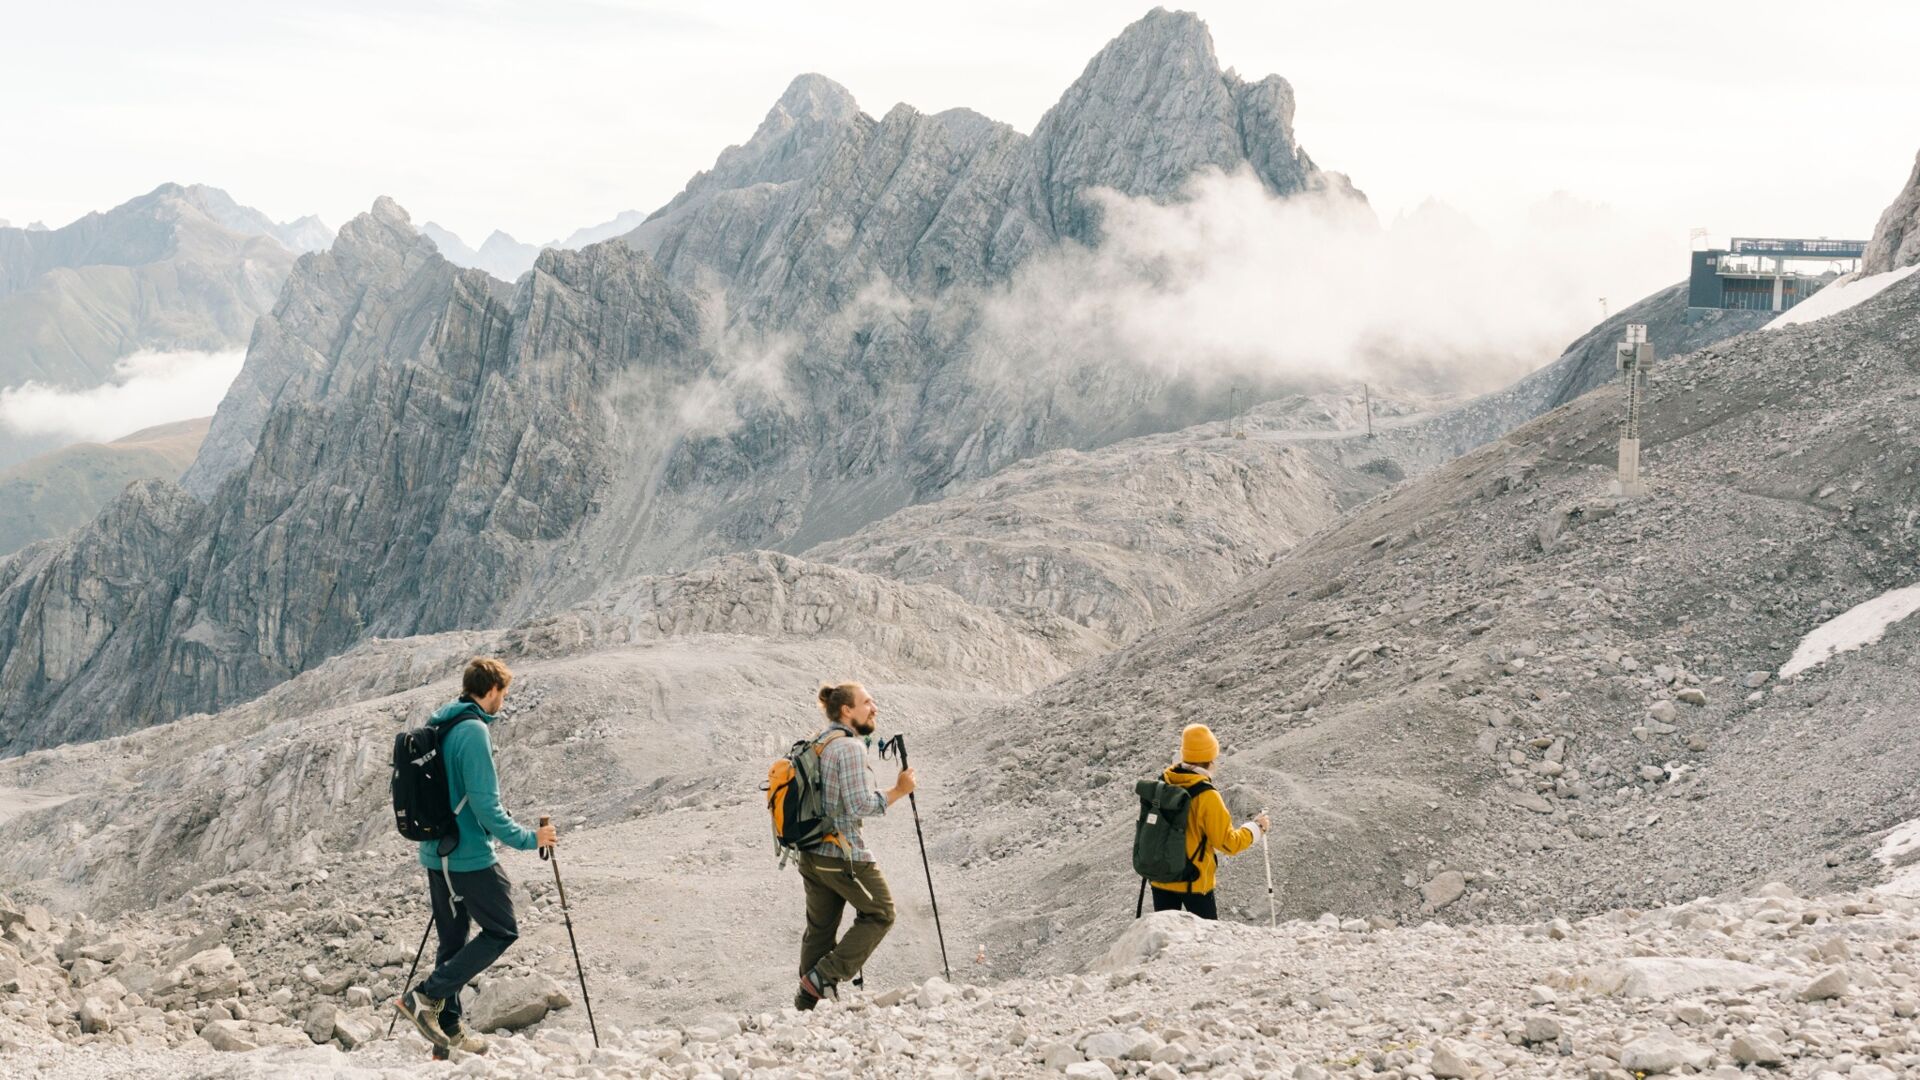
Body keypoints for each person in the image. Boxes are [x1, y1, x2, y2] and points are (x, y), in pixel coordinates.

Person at [396, 658, 558, 1053]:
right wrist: (532, 838)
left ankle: (447, 1033)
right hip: (467, 856)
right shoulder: (473, 731)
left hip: (436, 854)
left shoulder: (443, 722)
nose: (505, 700)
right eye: (505, 692)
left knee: (452, 943)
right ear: (493, 689)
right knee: (502, 930)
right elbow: (486, 806)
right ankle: (425, 995)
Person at [794, 682, 916, 1010]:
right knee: (881, 912)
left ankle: (807, 1006)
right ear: (847, 710)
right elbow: (860, 804)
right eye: (867, 702)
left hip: (811, 853)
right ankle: (823, 978)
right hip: (841, 854)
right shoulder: (849, 748)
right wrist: (899, 790)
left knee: (820, 930)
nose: (874, 708)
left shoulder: (819, 741)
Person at [1148, 723, 1269, 920]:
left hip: (1160, 878)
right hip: (1194, 882)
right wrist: (1257, 828)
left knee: (1167, 935)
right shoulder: (1207, 796)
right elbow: (1228, 843)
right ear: (1210, 758)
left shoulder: (1162, 783)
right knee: (1207, 936)